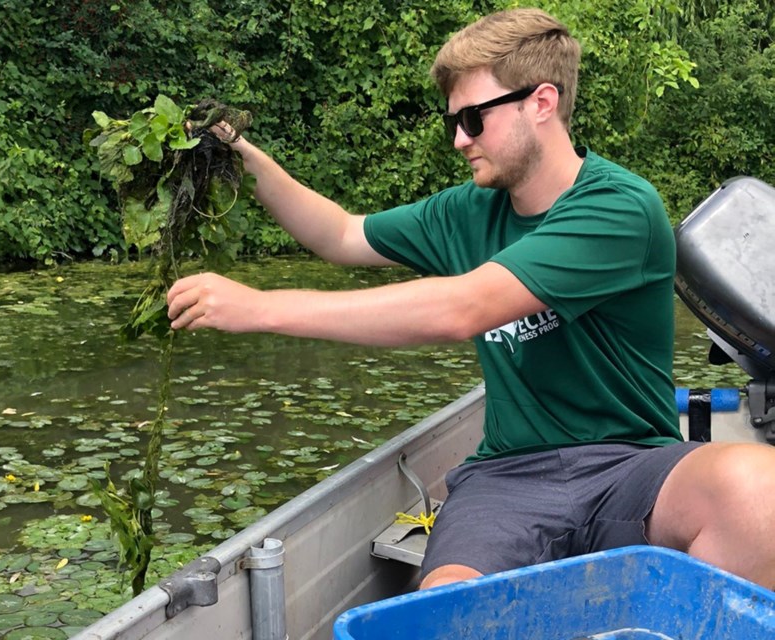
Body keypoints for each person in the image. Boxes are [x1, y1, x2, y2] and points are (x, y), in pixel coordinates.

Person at [166, 8, 775, 591]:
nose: (459, 139)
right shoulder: (465, 211)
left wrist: (260, 308)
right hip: (506, 477)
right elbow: (341, 234)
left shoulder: (619, 208)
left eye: (474, 118)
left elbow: (462, 308)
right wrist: (240, 156)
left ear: (541, 102)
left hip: (631, 465)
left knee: (760, 491)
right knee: (451, 605)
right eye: (452, 121)